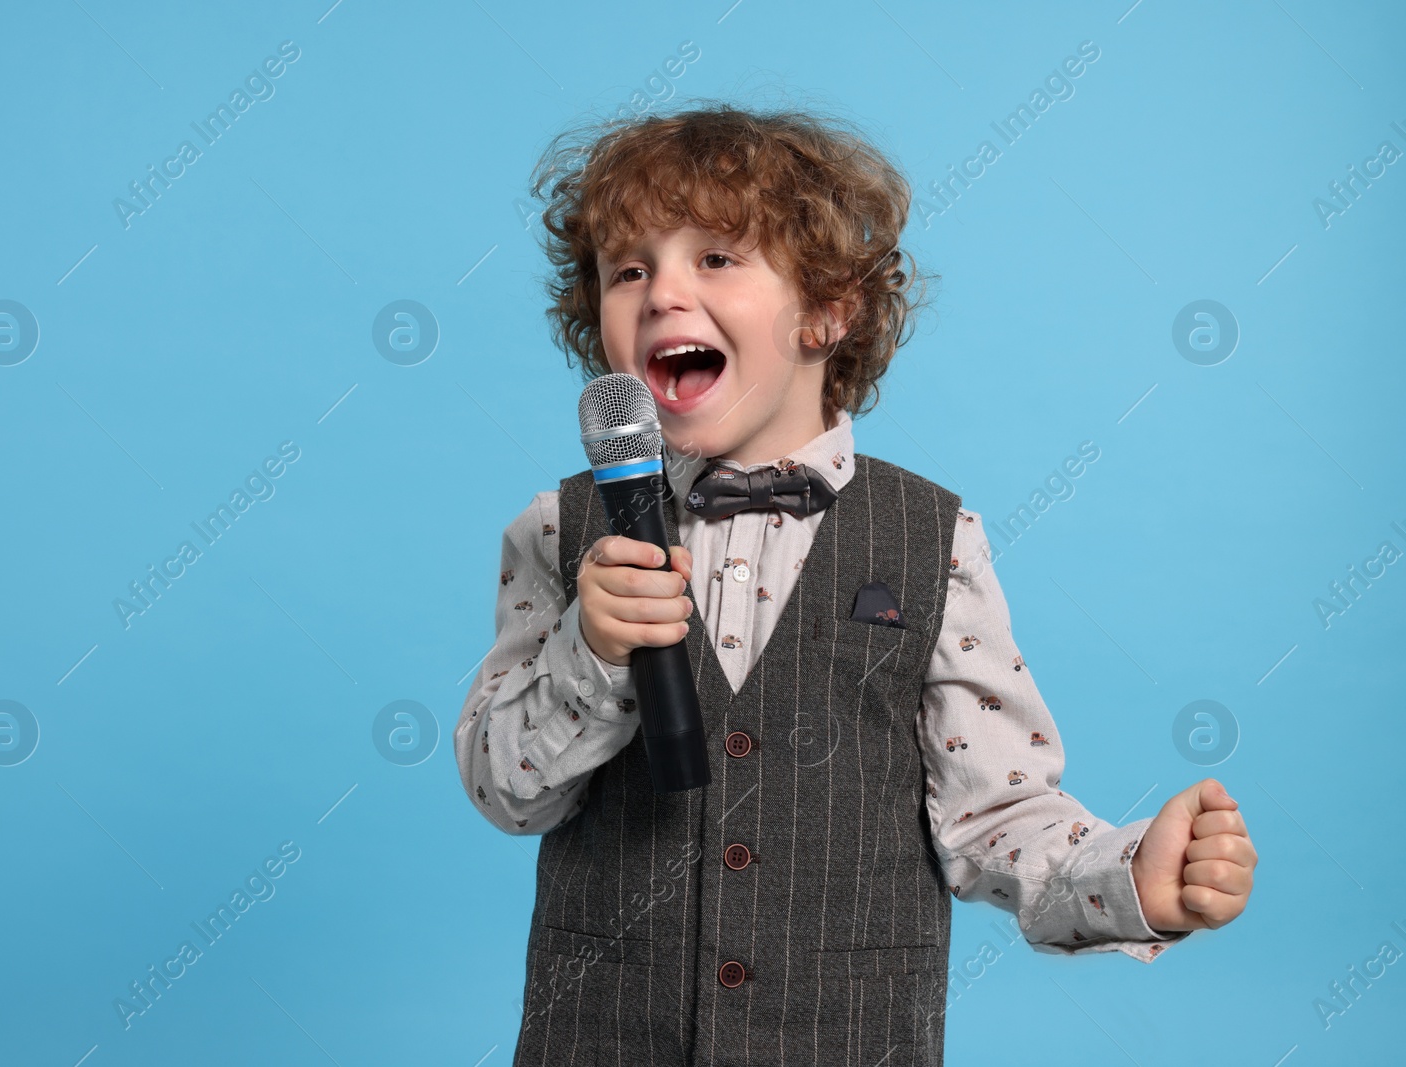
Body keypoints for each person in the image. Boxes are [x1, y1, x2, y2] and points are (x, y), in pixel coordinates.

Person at [453, 102, 1257, 1067]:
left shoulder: (933, 538)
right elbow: (507, 790)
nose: (663, 291)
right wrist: (592, 652)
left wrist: (1131, 879)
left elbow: (994, 815)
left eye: (715, 257)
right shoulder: (561, 529)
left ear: (830, 311)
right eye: (630, 269)